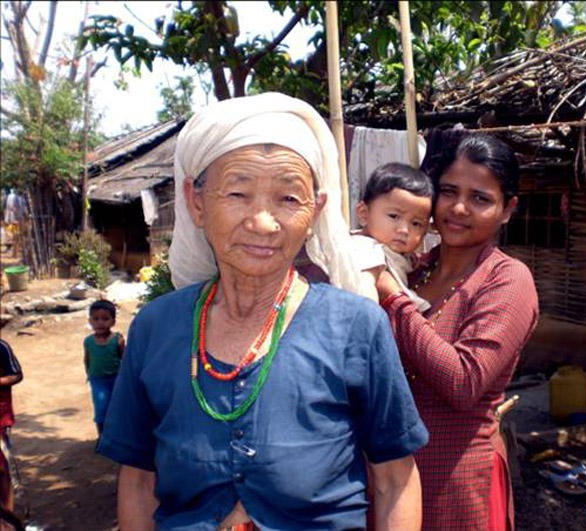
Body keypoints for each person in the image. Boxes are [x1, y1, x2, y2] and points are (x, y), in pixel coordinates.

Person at [98, 92, 428, 531]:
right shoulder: (156, 329)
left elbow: (394, 480)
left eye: (289, 199)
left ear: (317, 210)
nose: (263, 223)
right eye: (237, 192)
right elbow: (139, 482)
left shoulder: (357, 327)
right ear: (195, 202)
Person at [376, 134, 539, 530]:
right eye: (448, 191)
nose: (459, 208)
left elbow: (463, 382)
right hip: (388, 477)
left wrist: (392, 298)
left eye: (480, 198)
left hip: (456, 480)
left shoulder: (507, 280)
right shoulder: (412, 268)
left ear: (507, 209)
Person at [351, 162, 433, 310]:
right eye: (394, 216)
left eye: (415, 224)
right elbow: (363, 293)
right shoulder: (364, 249)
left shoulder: (403, 255)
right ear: (363, 214)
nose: (404, 230)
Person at [84, 300, 125, 436]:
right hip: (98, 380)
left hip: (116, 379)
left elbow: (124, 360)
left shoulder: (117, 340)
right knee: (101, 407)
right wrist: (89, 375)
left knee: (118, 407)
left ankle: (118, 434)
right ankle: (102, 437)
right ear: (90, 321)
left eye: (105, 319)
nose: (100, 323)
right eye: (96, 319)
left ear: (113, 321)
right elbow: (87, 359)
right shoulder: (88, 341)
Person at [0, 339, 22, 527]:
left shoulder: (2, 347)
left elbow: (16, 375)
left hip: (1, 416)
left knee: (2, 468)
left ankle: (8, 516)